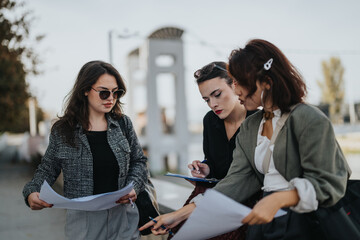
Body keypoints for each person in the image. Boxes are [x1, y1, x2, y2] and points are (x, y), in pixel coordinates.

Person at [139, 39, 350, 240]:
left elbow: (329, 182)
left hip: (304, 224)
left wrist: (280, 198)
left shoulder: (307, 118)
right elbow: (237, 179)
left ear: (266, 82)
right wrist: (182, 213)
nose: (236, 89)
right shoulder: (251, 126)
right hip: (263, 224)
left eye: (240, 83)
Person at [23, 60, 148, 240]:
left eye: (116, 92)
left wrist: (134, 186)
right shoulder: (63, 129)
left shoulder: (123, 124)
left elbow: (139, 162)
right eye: (104, 93)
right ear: (86, 90)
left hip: (124, 217)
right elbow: (48, 168)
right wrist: (31, 192)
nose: (111, 98)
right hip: (83, 223)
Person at [168, 61, 257, 239]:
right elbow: (212, 160)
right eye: (206, 99)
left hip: (244, 202)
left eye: (217, 95)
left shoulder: (257, 120)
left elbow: (251, 174)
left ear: (235, 85)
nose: (212, 104)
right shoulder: (210, 120)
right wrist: (205, 168)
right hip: (212, 196)